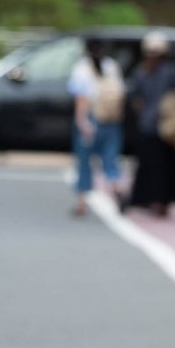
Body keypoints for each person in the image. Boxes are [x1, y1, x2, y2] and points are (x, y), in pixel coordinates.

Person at [123, 31, 175, 217]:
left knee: (149, 166)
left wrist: (142, 111)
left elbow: (133, 97)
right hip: (165, 126)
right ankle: (160, 201)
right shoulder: (170, 72)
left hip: (149, 125)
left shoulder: (141, 71)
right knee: (165, 167)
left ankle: (148, 199)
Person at [67, 38, 124, 216]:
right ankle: (115, 187)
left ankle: (82, 202)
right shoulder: (112, 66)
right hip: (110, 118)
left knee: (84, 161)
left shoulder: (81, 68)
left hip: (90, 117)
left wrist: (81, 121)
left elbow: (81, 99)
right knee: (110, 157)